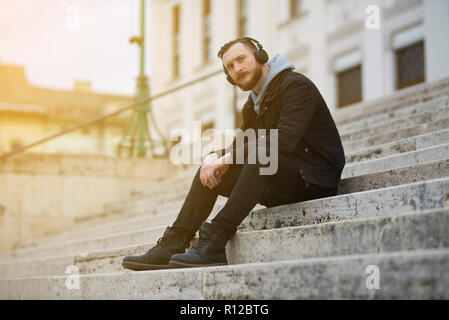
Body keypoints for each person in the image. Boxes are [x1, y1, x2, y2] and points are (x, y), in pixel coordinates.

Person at [122, 37, 346, 271]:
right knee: (210, 169)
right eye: (230, 66)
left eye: (241, 59)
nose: (237, 69)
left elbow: (285, 138)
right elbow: (241, 143)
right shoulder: (253, 104)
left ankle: (215, 241)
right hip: (283, 180)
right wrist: (214, 157)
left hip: (315, 178)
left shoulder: (295, 86)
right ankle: (174, 243)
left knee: (261, 156)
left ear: (260, 56)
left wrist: (227, 158)